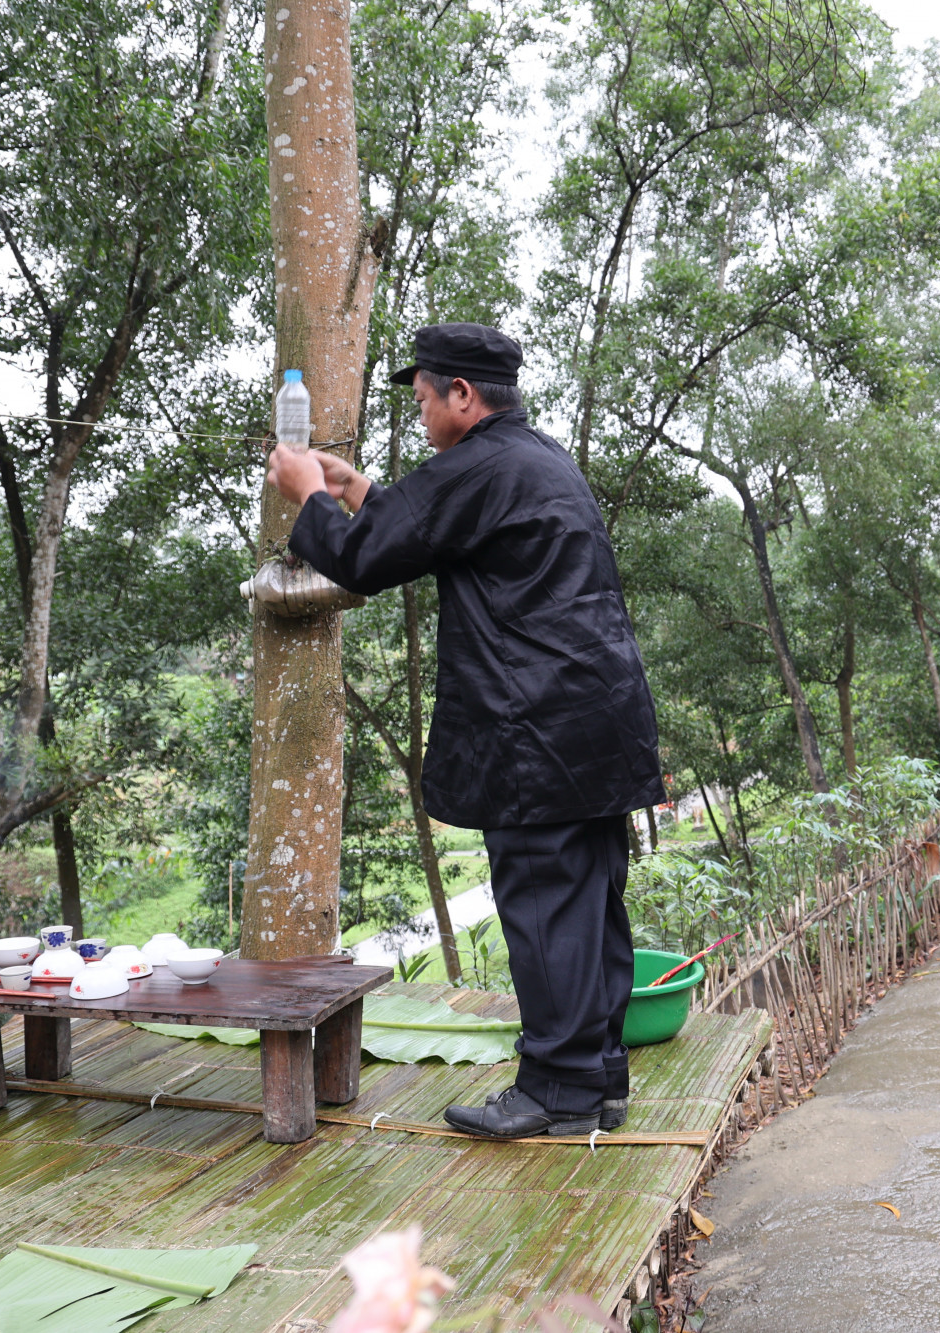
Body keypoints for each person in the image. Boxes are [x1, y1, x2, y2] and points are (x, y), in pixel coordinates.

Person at [266, 323, 665, 1140]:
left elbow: (365, 561)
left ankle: (554, 1089)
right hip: (598, 725)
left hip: (540, 733)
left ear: (462, 395)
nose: (419, 417)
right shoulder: (535, 456)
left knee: (545, 908)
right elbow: (445, 532)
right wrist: (361, 491)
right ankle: (597, 1079)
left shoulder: (479, 464)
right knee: (590, 905)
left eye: (422, 399)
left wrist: (308, 492)